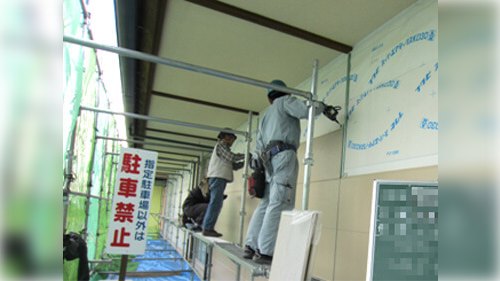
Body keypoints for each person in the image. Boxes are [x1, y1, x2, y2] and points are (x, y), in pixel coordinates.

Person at [243, 79, 326, 265]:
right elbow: (307, 110)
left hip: (267, 162)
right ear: (284, 93)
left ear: (270, 99)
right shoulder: (285, 102)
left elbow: (257, 149)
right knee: (279, 202)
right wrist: (321, 106)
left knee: (266, 203)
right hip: (283, 156)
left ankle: (250, 246)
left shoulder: (266, 116)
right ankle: (265, 251)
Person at [202, 129, 245, 237]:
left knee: (216, 203)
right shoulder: (221, 145)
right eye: (232, 139)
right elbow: (231, 157)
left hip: (219, 178)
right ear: (226, 136)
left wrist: (244, 162)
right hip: (217, 177)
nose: (232, 142)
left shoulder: (222, 149)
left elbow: (232, 165)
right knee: (215, 203)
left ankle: (207, 226)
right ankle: (207, 228)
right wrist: (245, 155)